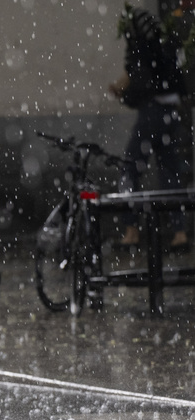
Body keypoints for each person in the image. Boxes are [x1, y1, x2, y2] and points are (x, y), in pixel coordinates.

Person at [109, 5, 189, 253]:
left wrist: (123, 92)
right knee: (170, 172)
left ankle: (131, 231)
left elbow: (138, 78)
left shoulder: (142, 47)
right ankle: (180, 234)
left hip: (154, 112)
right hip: (172, 111)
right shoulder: (165, 44)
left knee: (129, 168)